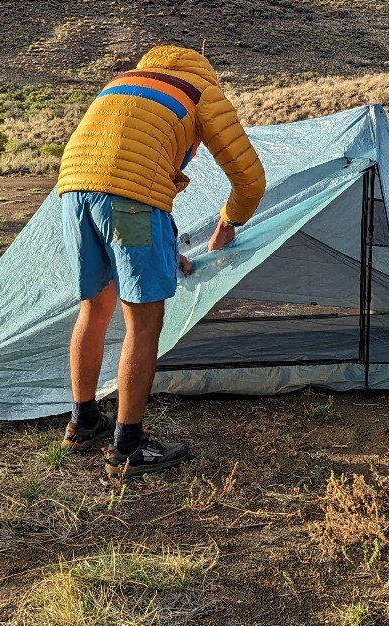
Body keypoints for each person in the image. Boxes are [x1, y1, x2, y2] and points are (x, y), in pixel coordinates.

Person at [56, 45, 265, 477]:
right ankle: (128, 446)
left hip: (74, 195)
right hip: (130, 206)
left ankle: (82, 422)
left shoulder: (123, 82)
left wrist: (165, 252)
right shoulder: (200, 90)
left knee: (94, 307)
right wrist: (228, 223)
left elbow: (121, 162)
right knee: (144, 322)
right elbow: (250, 179)